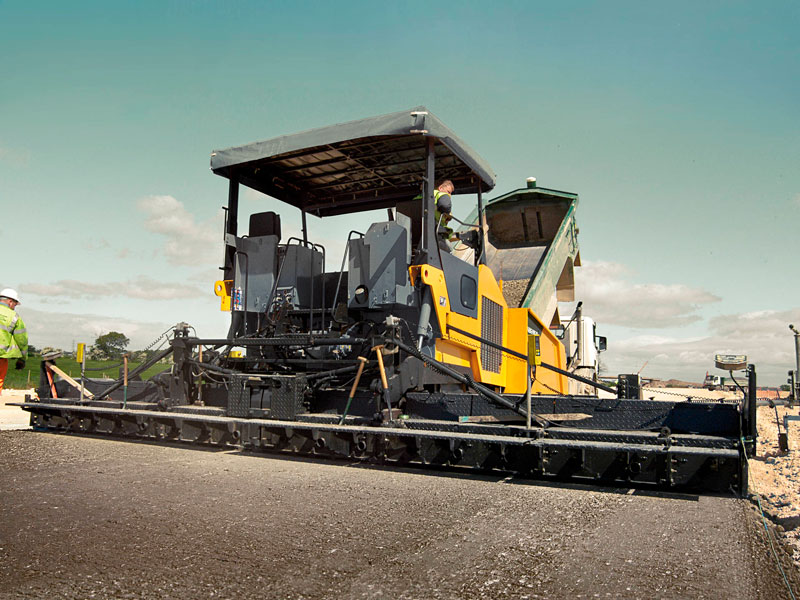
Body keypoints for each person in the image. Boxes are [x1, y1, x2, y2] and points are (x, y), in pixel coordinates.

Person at [0, 288, 27, 396]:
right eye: (15, 305)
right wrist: (22, 358)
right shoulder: (14, 317)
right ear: (10, 302)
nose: (14, 307)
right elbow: (22, 341)